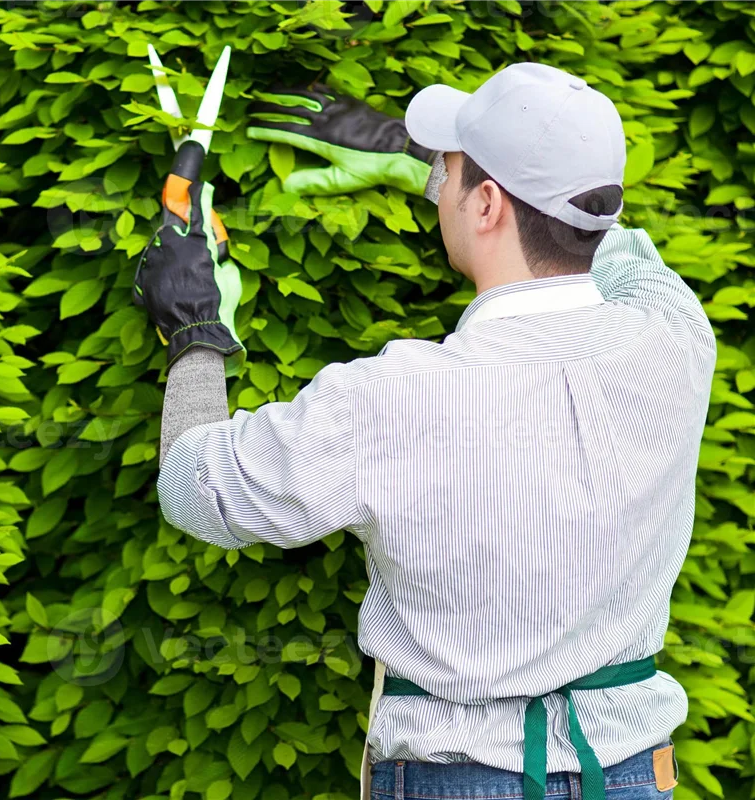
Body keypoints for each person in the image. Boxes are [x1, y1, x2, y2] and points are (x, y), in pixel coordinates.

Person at [135, 63, 716, 800]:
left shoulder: (391, 398)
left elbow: (199, 489)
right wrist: (437, 169)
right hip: (637, 776)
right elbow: (618, 247)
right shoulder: (675, 335)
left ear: (486, 203)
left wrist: (195, 330)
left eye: (451, 168)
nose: (437, 179)